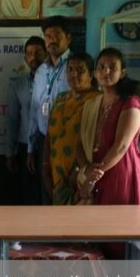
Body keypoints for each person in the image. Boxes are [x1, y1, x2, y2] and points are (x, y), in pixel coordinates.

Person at [75, 47, 140, 206]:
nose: (106, 71)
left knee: (117, 220)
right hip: (94, 171)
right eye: (101, 66)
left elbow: (121, 147)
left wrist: (91, 179)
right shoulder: (92, 104)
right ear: (95, 73)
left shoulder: (130, 103)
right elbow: (80, 142)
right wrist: (86, 169)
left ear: (122, 73)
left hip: (119, 174)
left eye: (112, 67)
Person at [42, 52, 100, 205]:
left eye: (80, 70)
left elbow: (96, 141)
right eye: (70, 70)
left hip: (79, 173)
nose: (74, 74)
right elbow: (49, 134)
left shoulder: (96, 99)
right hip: (55, 171)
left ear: (91, 74)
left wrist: (79, 170)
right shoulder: (60, 98)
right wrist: (45, 166)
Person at [27, 16, 72, 204]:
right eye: (48, 36)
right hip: (44, 140)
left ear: (68, 37)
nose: (52, 40)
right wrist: (30, 148)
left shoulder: (76, 66)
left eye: (57, 35)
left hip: (69, 140)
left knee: (67, 193)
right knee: (46, 192)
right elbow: (34, 110)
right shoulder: (41, 71)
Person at [4, 36, 46, 205]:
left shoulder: (54, 80)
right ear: (25, 58)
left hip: (48, 144)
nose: (33, 57)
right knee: (29, 196)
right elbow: (12, 119)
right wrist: (10, 153)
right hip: (25, 147)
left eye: (38, 52)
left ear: (46, 54)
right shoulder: (18, 84)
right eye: (29, 53)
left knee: (48, 194)